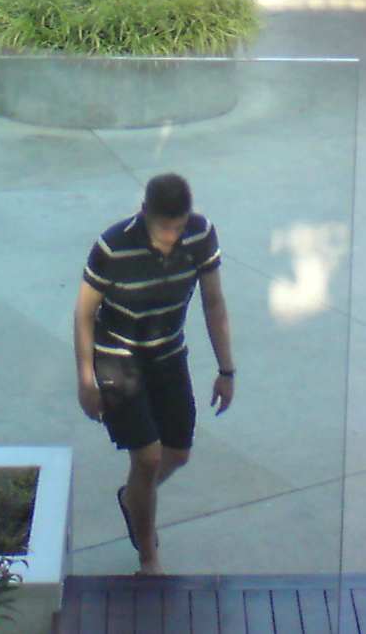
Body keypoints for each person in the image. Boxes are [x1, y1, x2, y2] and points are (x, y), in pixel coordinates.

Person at [74, 173, 234, 577]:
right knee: (147, 458)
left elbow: (214, 303)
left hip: (168, 353)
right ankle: (149, 559)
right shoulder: (113, 246)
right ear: (144, 212)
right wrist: (86, 379)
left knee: (177, 454)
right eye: (163, 228)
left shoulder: (201, 235)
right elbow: (84, 313)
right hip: (118, 357)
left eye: (177, 228)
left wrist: (226, 369)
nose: (170, 238)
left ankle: (134, 498)